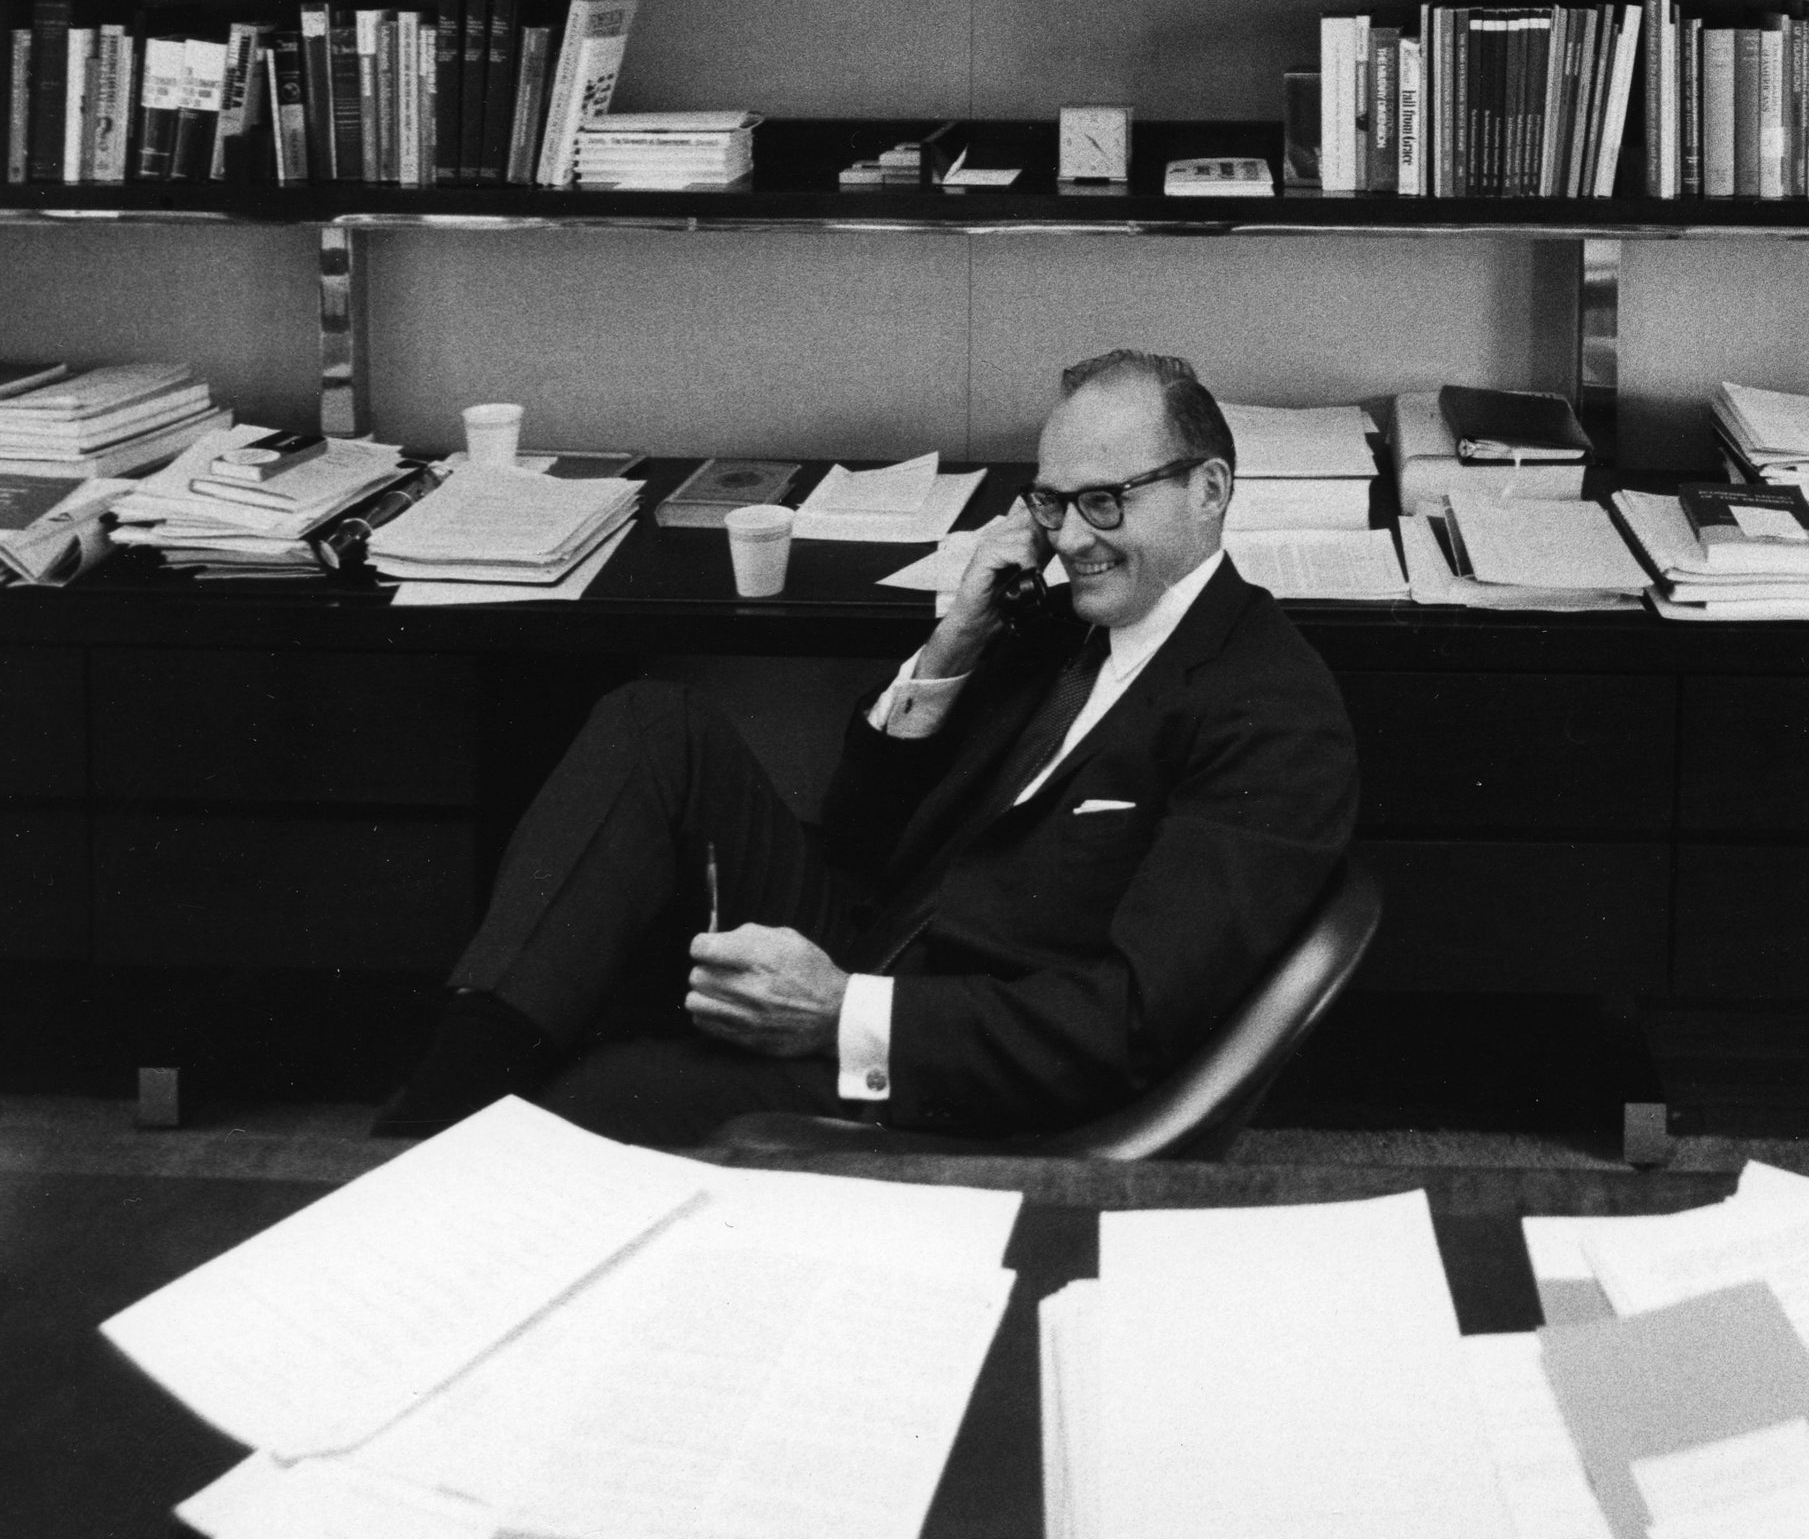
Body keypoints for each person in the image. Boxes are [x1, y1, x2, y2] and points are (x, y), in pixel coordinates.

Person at [377, 349, 1360, 1145]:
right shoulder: (1062, 625)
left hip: (952, 1052)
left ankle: (424, 1159)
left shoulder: (1268, 714)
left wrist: (842, 1010)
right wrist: (954, 641)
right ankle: (435, 1117)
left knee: (594, 1097)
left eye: (1106, 501)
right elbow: (858, 830)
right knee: (652, 723)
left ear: (1210, 489)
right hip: (880, 933)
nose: (1070, 539)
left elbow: (1128, 1026)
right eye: (1052, 503)